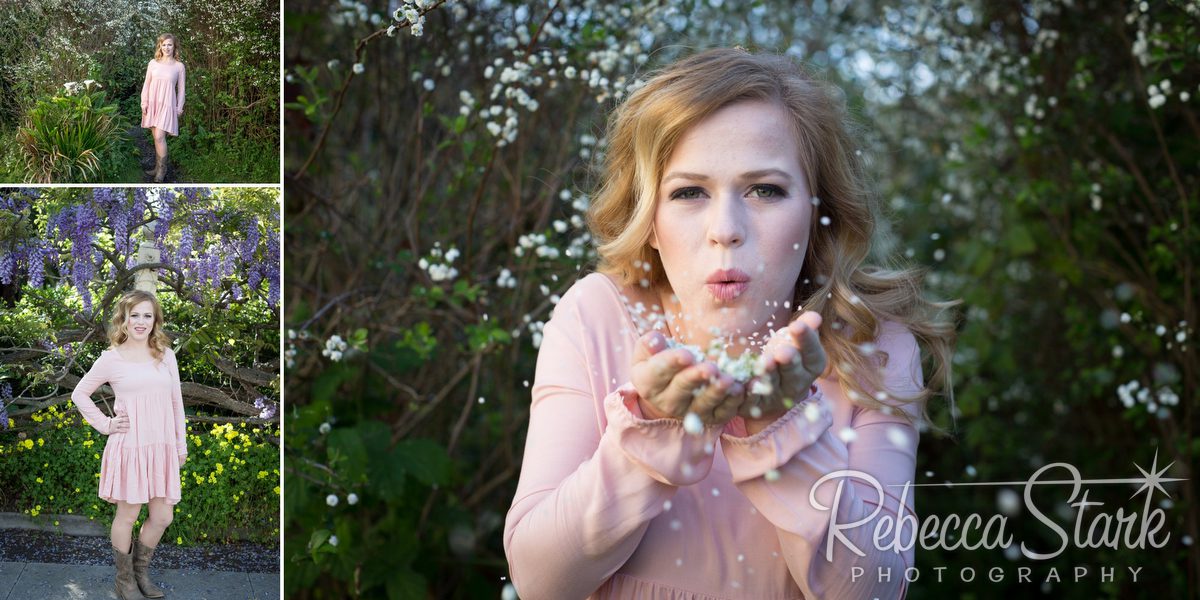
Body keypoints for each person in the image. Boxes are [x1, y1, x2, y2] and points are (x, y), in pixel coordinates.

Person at [503, 48, 959, 599]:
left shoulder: (873, 345)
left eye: (765, 190)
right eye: (688, 192)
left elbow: (874, 589)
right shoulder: (596, 315)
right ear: (649, 220)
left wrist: (782, 427)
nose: (725, 229)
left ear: (818, 211)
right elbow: (541, 582)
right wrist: (652, 429)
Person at [72, 290, 189, 600]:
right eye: (134, 315)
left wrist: (180, 446)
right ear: (123, 319)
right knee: (127, 516)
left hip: (162, 448)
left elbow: (176, 403)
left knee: (163, 517)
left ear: (155, 320)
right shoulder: (111, 358)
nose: (141, 322)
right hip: (130, 448)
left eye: (147, 315)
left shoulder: (166, 355)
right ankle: (124, 581)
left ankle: (141, 573)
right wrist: (106, 424)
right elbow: (79, 394)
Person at [140, 33, 186, 183]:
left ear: (174, 47)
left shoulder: (179, 66)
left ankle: (162, 169)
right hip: (152, 102)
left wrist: (179, 107)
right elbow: (146, 85)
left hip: (167, 105)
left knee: (160, 137)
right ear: (160, 46)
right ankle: (157, 167)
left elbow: (181, 90)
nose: (166, 48)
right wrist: (144, 102)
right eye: (164, 45)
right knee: (156, 137)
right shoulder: (153, 63)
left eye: (169, 45)